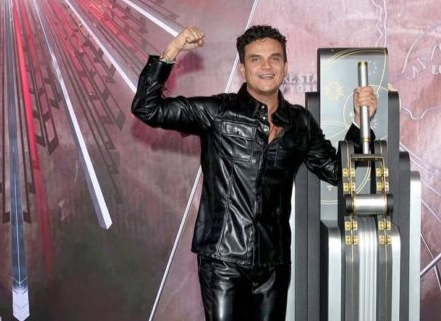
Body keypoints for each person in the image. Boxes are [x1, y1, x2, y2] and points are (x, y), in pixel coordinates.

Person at [131, 25, 377, 321]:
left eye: (274, 58)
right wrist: (172, 51)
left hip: (273, 263)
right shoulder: (217, 112)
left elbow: (337, 172)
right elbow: (147, 108)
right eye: (256, 59)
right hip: (222, 260)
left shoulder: (300, 122)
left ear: (285, 67)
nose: (266, 66)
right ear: (243, 69)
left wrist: (360, 123)